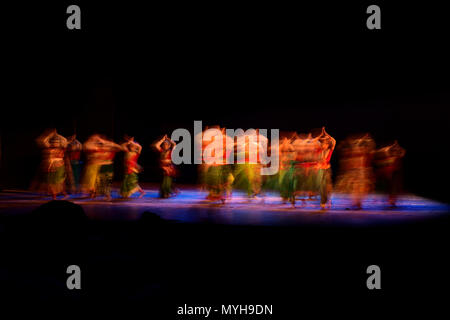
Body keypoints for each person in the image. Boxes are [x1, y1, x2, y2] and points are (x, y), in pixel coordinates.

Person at [36, 129, 68, 200]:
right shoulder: (49, 149)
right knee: (51, 182)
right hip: (52, 166)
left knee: (58, 182)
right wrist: (50, 134)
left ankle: (61, 193)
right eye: (53, 143)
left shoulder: (61, 149)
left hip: (59, 166)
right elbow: (42, 141)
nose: (55, 144)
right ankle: (55, 196)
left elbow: (65, 140)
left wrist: (57, 134)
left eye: (56, 143)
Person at [373, 141, 405, 208]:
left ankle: (392, 201)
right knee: (390, 186)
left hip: (394, 171)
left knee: (394, 185)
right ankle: (391, 201)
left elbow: (397, 163)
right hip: (389, 170)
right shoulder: (385, 153)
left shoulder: (397, 155)